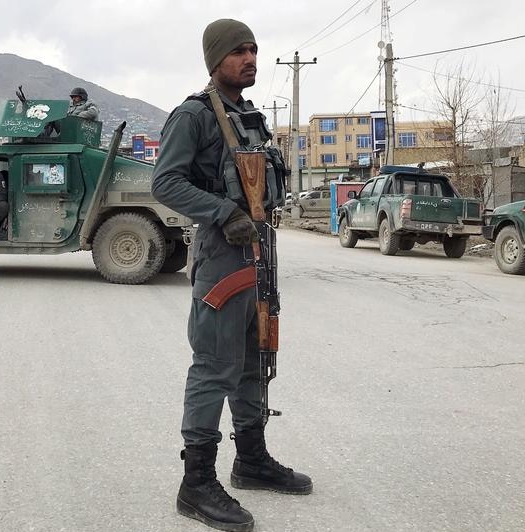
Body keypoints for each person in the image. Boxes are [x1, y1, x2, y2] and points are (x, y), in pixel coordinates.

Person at [151, 18, 311, 532]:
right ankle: (195, 483)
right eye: (239, 51)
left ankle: (251, 460)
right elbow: (166, 182)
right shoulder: (194, 116)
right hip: (223, 256)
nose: (250, 58)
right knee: (215, 365)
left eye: (254, 50)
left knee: (255, 358)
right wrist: (222, 212)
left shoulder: (251, 118)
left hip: (260, 253)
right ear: (215, 59)